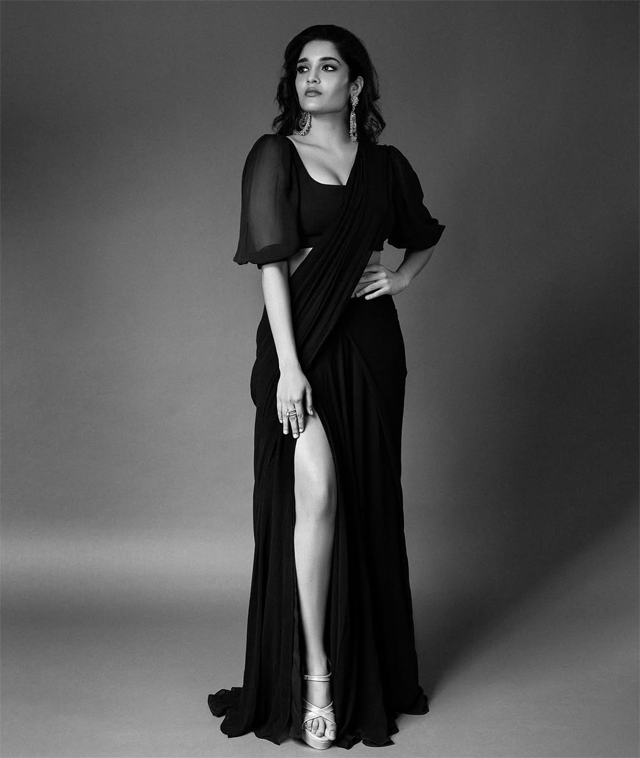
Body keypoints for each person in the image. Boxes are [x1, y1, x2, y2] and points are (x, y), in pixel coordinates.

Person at [208, 24, 445, 750]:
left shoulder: (386, 166)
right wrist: (288, 366)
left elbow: (422, 233)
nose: (311, 77)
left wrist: (399, 278)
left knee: (365, 500)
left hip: (370, 349)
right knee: (315, 494)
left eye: (329, 66)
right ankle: (315, 674)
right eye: (302, 67)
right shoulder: (274, 155)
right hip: (299, 345)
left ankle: (365, 668)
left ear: (357, 84)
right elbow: (272, 266)